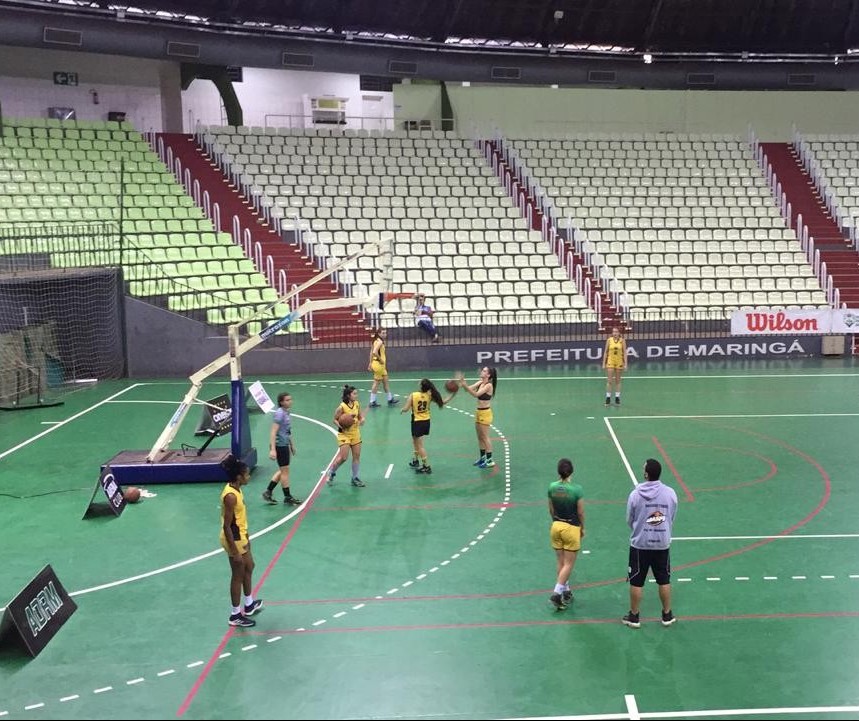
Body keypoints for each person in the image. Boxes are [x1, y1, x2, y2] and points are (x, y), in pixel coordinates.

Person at [622, 458, 678, 629]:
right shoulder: (670, 493)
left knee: (636, 581)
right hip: (662, 544)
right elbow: (672, 516)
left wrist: (641, 529)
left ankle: (634, 616)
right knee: (664, 579)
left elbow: (629, 519)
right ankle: (667, 614)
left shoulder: (635, 494)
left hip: (640, 544)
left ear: (646, 474)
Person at [220, 455, 263, 627]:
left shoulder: (237, 489)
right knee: (237, 574)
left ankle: (249, 604)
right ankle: (235, 615)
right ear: (239, 477)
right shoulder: (230, 496)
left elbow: (240, 518)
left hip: (241, 536)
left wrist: (248, 536)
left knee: (250, 566)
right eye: (246, 474)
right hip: (233, 539)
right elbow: (227, 526)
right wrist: (235, 551)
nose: (249, 476)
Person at [547, 458, 585, 611]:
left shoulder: (552, 487)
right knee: (569, 564)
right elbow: (580, 512)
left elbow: (550, 509)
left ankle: (566, 591)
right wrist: (582, 528)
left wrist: (556, 522)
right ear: (571, 471)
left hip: (556, 525)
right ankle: (557, 593)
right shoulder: (576, 490)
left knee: (561, 562)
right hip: (571, 527)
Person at [400, 378, 455, 474]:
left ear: (421, 386)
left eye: (420, 382)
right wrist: (453, 394)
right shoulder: (429, 395)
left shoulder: (413, 395)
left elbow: (406, 408)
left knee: (420, 445)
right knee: (415, 440)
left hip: (417, 421)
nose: (418, 382)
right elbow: (443, 401)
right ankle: (416, 460)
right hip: (426, 421)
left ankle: (426, 466)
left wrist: (402, 410)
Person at [263, 391, 302, 506]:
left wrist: (292, 444)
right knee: (285, 472)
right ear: (281, 402)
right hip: (280, 446)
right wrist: (273, 449)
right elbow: (273, 432)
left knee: (282, 470)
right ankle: (287, 497)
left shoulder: (286, 412)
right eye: (287, 400)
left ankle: (268, 492)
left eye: (290, 399)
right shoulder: (279, 414)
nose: (290, 401)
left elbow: (287, 431)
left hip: (285, 445)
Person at [325, 384, 367, 488]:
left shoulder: (357, 404)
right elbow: (334, 419)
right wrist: (342, 425)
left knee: (356, 456)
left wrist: (362, 420)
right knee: (344, 457)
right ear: (348, 395)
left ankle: (355, 478)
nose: (356, 395)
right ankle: (331, 472)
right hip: (344, 434)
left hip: (355, 433)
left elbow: (360, 417)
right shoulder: (342, 407)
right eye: (354, 394)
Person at [458, 366, 497, 468]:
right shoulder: (480, 382)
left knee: (485, 437)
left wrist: (465, 385)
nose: (482, 371)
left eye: (484, 371)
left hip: (485, 413)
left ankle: (490, 460)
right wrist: (463, 384)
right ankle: (483, 458)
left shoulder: (489, 386)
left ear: (488, 375)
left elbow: (476, 394)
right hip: (478, 412)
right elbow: (469, 389)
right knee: (480, 437)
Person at [367, 328, 398, 408]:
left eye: (385, 333)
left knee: (385, 382)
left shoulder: (375, 341)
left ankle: (390, 399)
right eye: (383, 333)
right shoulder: (379, 342)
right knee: (376, 383)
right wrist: (380, 360)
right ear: (379, 333)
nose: (385, 334)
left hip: (380, 366)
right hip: (379, 365)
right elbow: (374, 352)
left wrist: (370, 363)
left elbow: (371, 352)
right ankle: (372, 401)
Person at [603, 325, 627, 406]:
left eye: (616, 332)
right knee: (609, 381)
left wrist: (625, 364)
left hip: (619, 361)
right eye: (613, 332)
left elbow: (625, 353)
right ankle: (608, 398)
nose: (615, 333)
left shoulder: (622, 341)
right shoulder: (609, 340)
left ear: (619, 333)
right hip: (610, 361)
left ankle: (617, 397)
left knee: (618, 381)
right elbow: (605, 352)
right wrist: (604, 363)